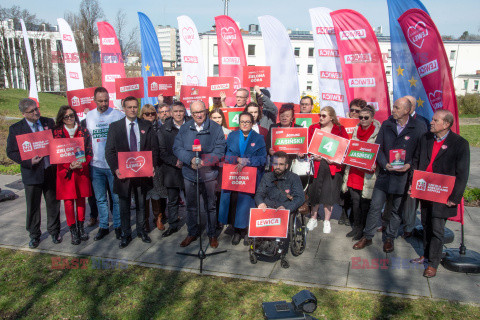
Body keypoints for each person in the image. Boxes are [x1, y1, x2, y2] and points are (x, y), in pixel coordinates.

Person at [353, 97, 427, 253]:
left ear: (407, 110)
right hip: (385, 174)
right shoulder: (387, 125)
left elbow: (420, 154)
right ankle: (367, 236)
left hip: (403, 177)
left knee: (396, 210)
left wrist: (409, 165)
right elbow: (378, 148)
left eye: (397, 107)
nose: (393, 110)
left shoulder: (419, 128)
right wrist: (384, 162)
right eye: (393, 106)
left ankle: (389, 238)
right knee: (375, 207)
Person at [410, 110, 469, 278]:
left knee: (437, 228)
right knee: (426, 225)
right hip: (425, 190)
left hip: (443, 194)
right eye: (432, 119)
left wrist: (454, 198)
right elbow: (416, 161)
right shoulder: (425, 138)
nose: (432, 122)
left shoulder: (459, 143)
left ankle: (433, 264)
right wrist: (413, 185)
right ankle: (426, 255)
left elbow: (462, 174)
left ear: (447, 124)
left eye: (436, 120)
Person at [105, 96, 159, 248]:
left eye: (135, 107)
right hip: (124, 174)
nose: (133, 109)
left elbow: (153, 149)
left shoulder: (146, 125)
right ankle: (126, 234)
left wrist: (152, 165)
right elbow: (109, 151)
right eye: (129, 107)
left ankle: (142, 231)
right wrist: (115, 169)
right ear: (124, 109)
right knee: (124, 205)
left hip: (142, 171)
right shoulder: (115, 127)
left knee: (142, 204)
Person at [6, 98, 61, 248]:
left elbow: (58, 140)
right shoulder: (16, 129)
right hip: (32, 174)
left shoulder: (48, 122)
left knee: (53, 203)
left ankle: (54, 231)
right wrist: (29, 162)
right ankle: (34, 235)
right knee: (33, 206)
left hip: (49, 171)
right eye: (32, 111)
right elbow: (11, 152)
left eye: (36, 109)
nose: (36, 112)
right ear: (24, 114)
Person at [173, 100, 226, 248]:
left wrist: (205, 161)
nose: (198, 115)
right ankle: (192, 232)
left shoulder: (215, 128)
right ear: (191, 113)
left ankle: (212, 234)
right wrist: (189, 159)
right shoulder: (184, 128)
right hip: (189, 174)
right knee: (191, 206)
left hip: (208, 174)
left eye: (201, 111)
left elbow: (220, 150)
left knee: (210, 206)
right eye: (195, 113)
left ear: (206, 111)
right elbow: (177, 148)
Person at [218, 112, 267, 245]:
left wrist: (247, 160)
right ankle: (236, 231)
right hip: (234, 177)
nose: (245, 124)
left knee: (247, 204)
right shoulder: (232, 136)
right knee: (234, 204)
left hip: (250, 178)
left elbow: (263, 159)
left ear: (252, 123)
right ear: (239, 123)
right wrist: (237, 159)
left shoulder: (259, 138)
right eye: (242, 122)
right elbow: (225, 156)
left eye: (247, 122)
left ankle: (246, 231)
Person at [85, 87, 124, 241]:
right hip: (96, 165)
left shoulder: (117, 114)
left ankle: (118, 226)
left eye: (106, 100)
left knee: (116, 198)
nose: (103, 103)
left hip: (113, 166)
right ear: (94, 100)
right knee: (100, 199)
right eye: (100, 100)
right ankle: (103, 226)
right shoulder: (89, 116)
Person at [52, 106, 93, 244]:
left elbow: (89, 151)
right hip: (65, 173)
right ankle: (73, 230)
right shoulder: (57, 133)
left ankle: (81, 227)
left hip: (81, 171)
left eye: (71, 115)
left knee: (81, 200)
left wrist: (83, 163)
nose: (69, 118)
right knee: (68, 203)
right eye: (66, 116)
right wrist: (68, 165)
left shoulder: (83, 131)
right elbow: (56, 154)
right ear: (61, 118)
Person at [306, 106, 349, 233]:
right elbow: (308, 145)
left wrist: (336, 159)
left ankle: (326, 221)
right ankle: (313, 218)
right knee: (315, 193)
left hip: (332, 167)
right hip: (317, 165)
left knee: (328, 193)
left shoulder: (340, 129)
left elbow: (345, 148)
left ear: (331, 117)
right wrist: (313, 156)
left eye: (324, 116)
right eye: (320, 115)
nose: (321, 118)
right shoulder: (313, 128)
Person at [340, 105, 380, 240]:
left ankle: (363, 230)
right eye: (360, 117)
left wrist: (375, 163)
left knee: (365, 204)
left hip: (367, 174)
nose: (362, 120)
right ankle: (356, 227)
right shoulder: (356, 130)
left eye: (366, 117)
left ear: (372, 119)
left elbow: (380, 151)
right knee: (355, 203)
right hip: (354, 172)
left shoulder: (377, 132)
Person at [158, 101, 191, 237]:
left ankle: (192, 224)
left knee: (190, 199)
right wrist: (174, 161)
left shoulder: (191, 125)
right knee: (172, 200)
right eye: (175, 111)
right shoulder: (163, 129)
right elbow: (162, 151)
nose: (178, 114)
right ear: (171, 113)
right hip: (172, 169)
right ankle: (172, 225)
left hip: (189, 167)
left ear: (184, 112)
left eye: (181, 111)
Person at [401, 95, 431, 238]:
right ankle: (397, 219)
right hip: (398, 163)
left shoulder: (422, 122)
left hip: (415, 163)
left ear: (411, 107)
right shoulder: (395, 119)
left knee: (411, 197)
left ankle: (409, 226)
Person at [140, 104, 167, 232]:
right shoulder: (138, 127)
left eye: (152, 113)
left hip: (157, 165)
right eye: (147, 114)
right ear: (142, 115)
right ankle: (145, 221)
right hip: (141, 165)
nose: (150, 116)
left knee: (157, 193)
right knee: (145, 194)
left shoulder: (160, 128)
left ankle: (158, 218)